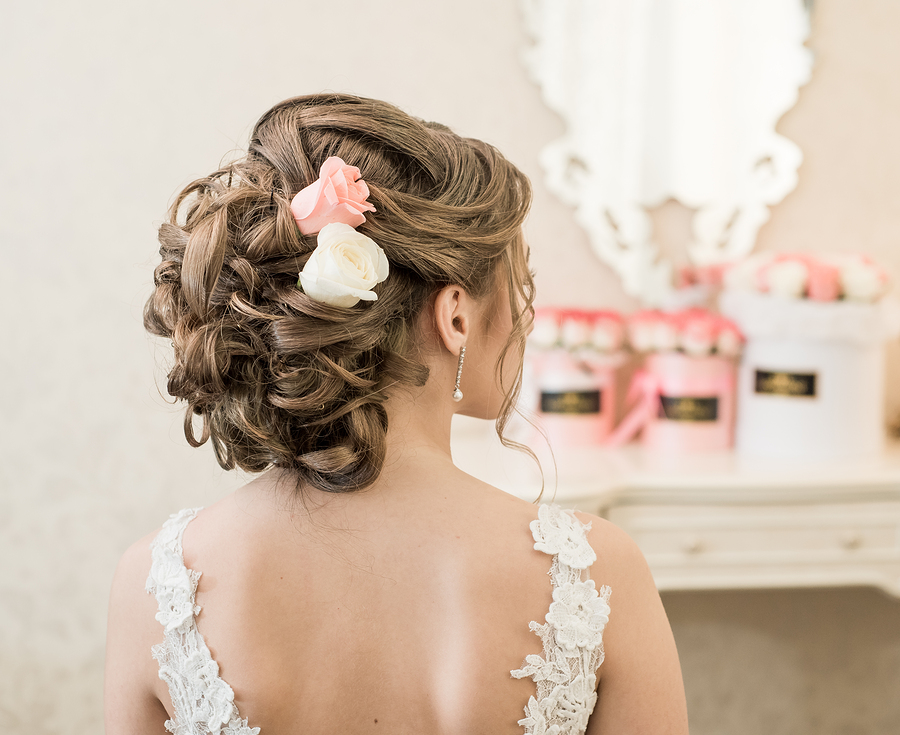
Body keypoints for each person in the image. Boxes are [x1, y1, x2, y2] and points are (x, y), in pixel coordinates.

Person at [105, 93, 688, 735]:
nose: (525, 320)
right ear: (456, 316)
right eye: (520, 289)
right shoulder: (598, 574)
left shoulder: (161, 585)